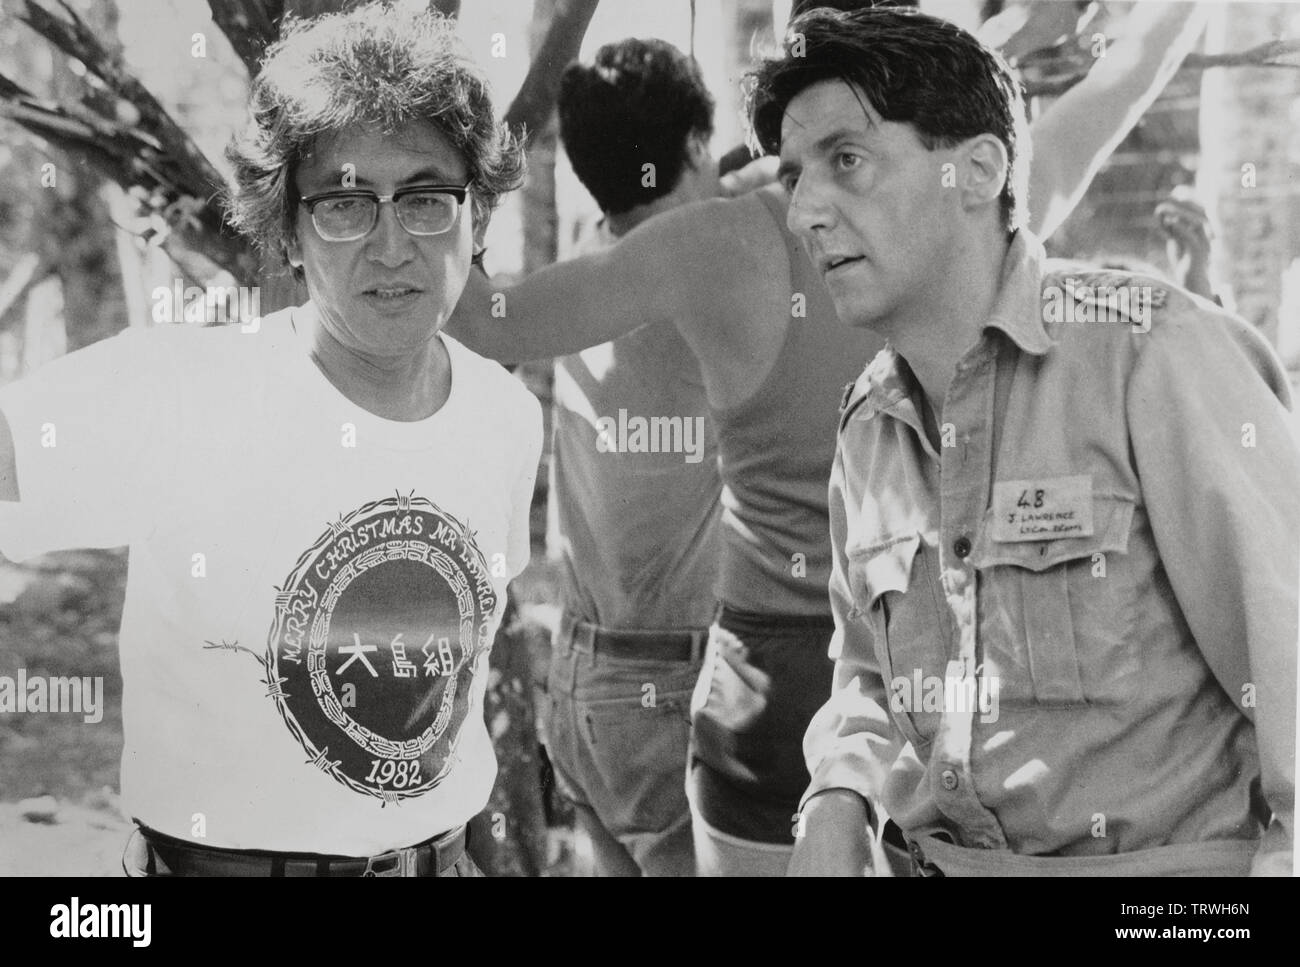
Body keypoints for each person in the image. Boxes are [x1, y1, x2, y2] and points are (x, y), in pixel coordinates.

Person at [750, 5, 1297, 877]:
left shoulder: (1149, 353)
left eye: (845, 162)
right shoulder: (870, 421)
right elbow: (867, 674)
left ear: (977, 170)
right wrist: (838, 796)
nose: (805, 212)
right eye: (792, 178)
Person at [0, 4, 540, 877]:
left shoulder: (508, 417)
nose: (393, 244)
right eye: (345, 205)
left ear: (476, 216)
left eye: (428, 199)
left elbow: (451, 699)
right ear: (288, 230)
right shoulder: (184, 392)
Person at [541, 38, 722, 877]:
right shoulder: (710, 287)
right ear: (692, 147)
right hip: (666, 697)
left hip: (581, 689)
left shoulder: (582, 266)